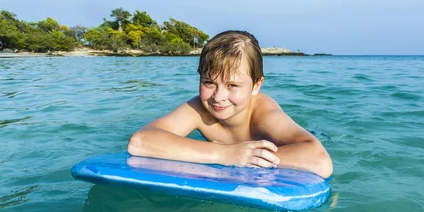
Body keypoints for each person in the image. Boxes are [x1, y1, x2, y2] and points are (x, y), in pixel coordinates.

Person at [127, 30, 333, 178]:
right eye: (209, 83)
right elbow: (139, 142)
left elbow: (320, 161)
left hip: (293, 137)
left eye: (233, 85)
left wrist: (245, 157)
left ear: (256, 85)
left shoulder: (263, 113)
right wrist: (226, 154)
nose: (218, 97)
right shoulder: (199, 108)